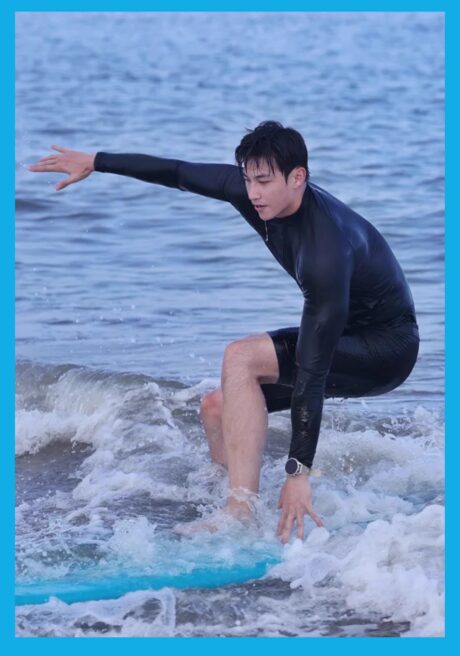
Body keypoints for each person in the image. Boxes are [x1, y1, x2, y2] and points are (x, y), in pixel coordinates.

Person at [28, 121, 419, 543]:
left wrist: (298, 473)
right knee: (216, 407)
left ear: (298, 177)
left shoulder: (325, 248)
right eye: (248, 180)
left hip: (384, 350)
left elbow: (313, 371)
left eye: (264, 182)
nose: (254, 193)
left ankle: (240, 511)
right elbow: (177, 172)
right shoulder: (252, 194)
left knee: (241, 356)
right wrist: (96, 161)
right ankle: (231, 503)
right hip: (347, 333)